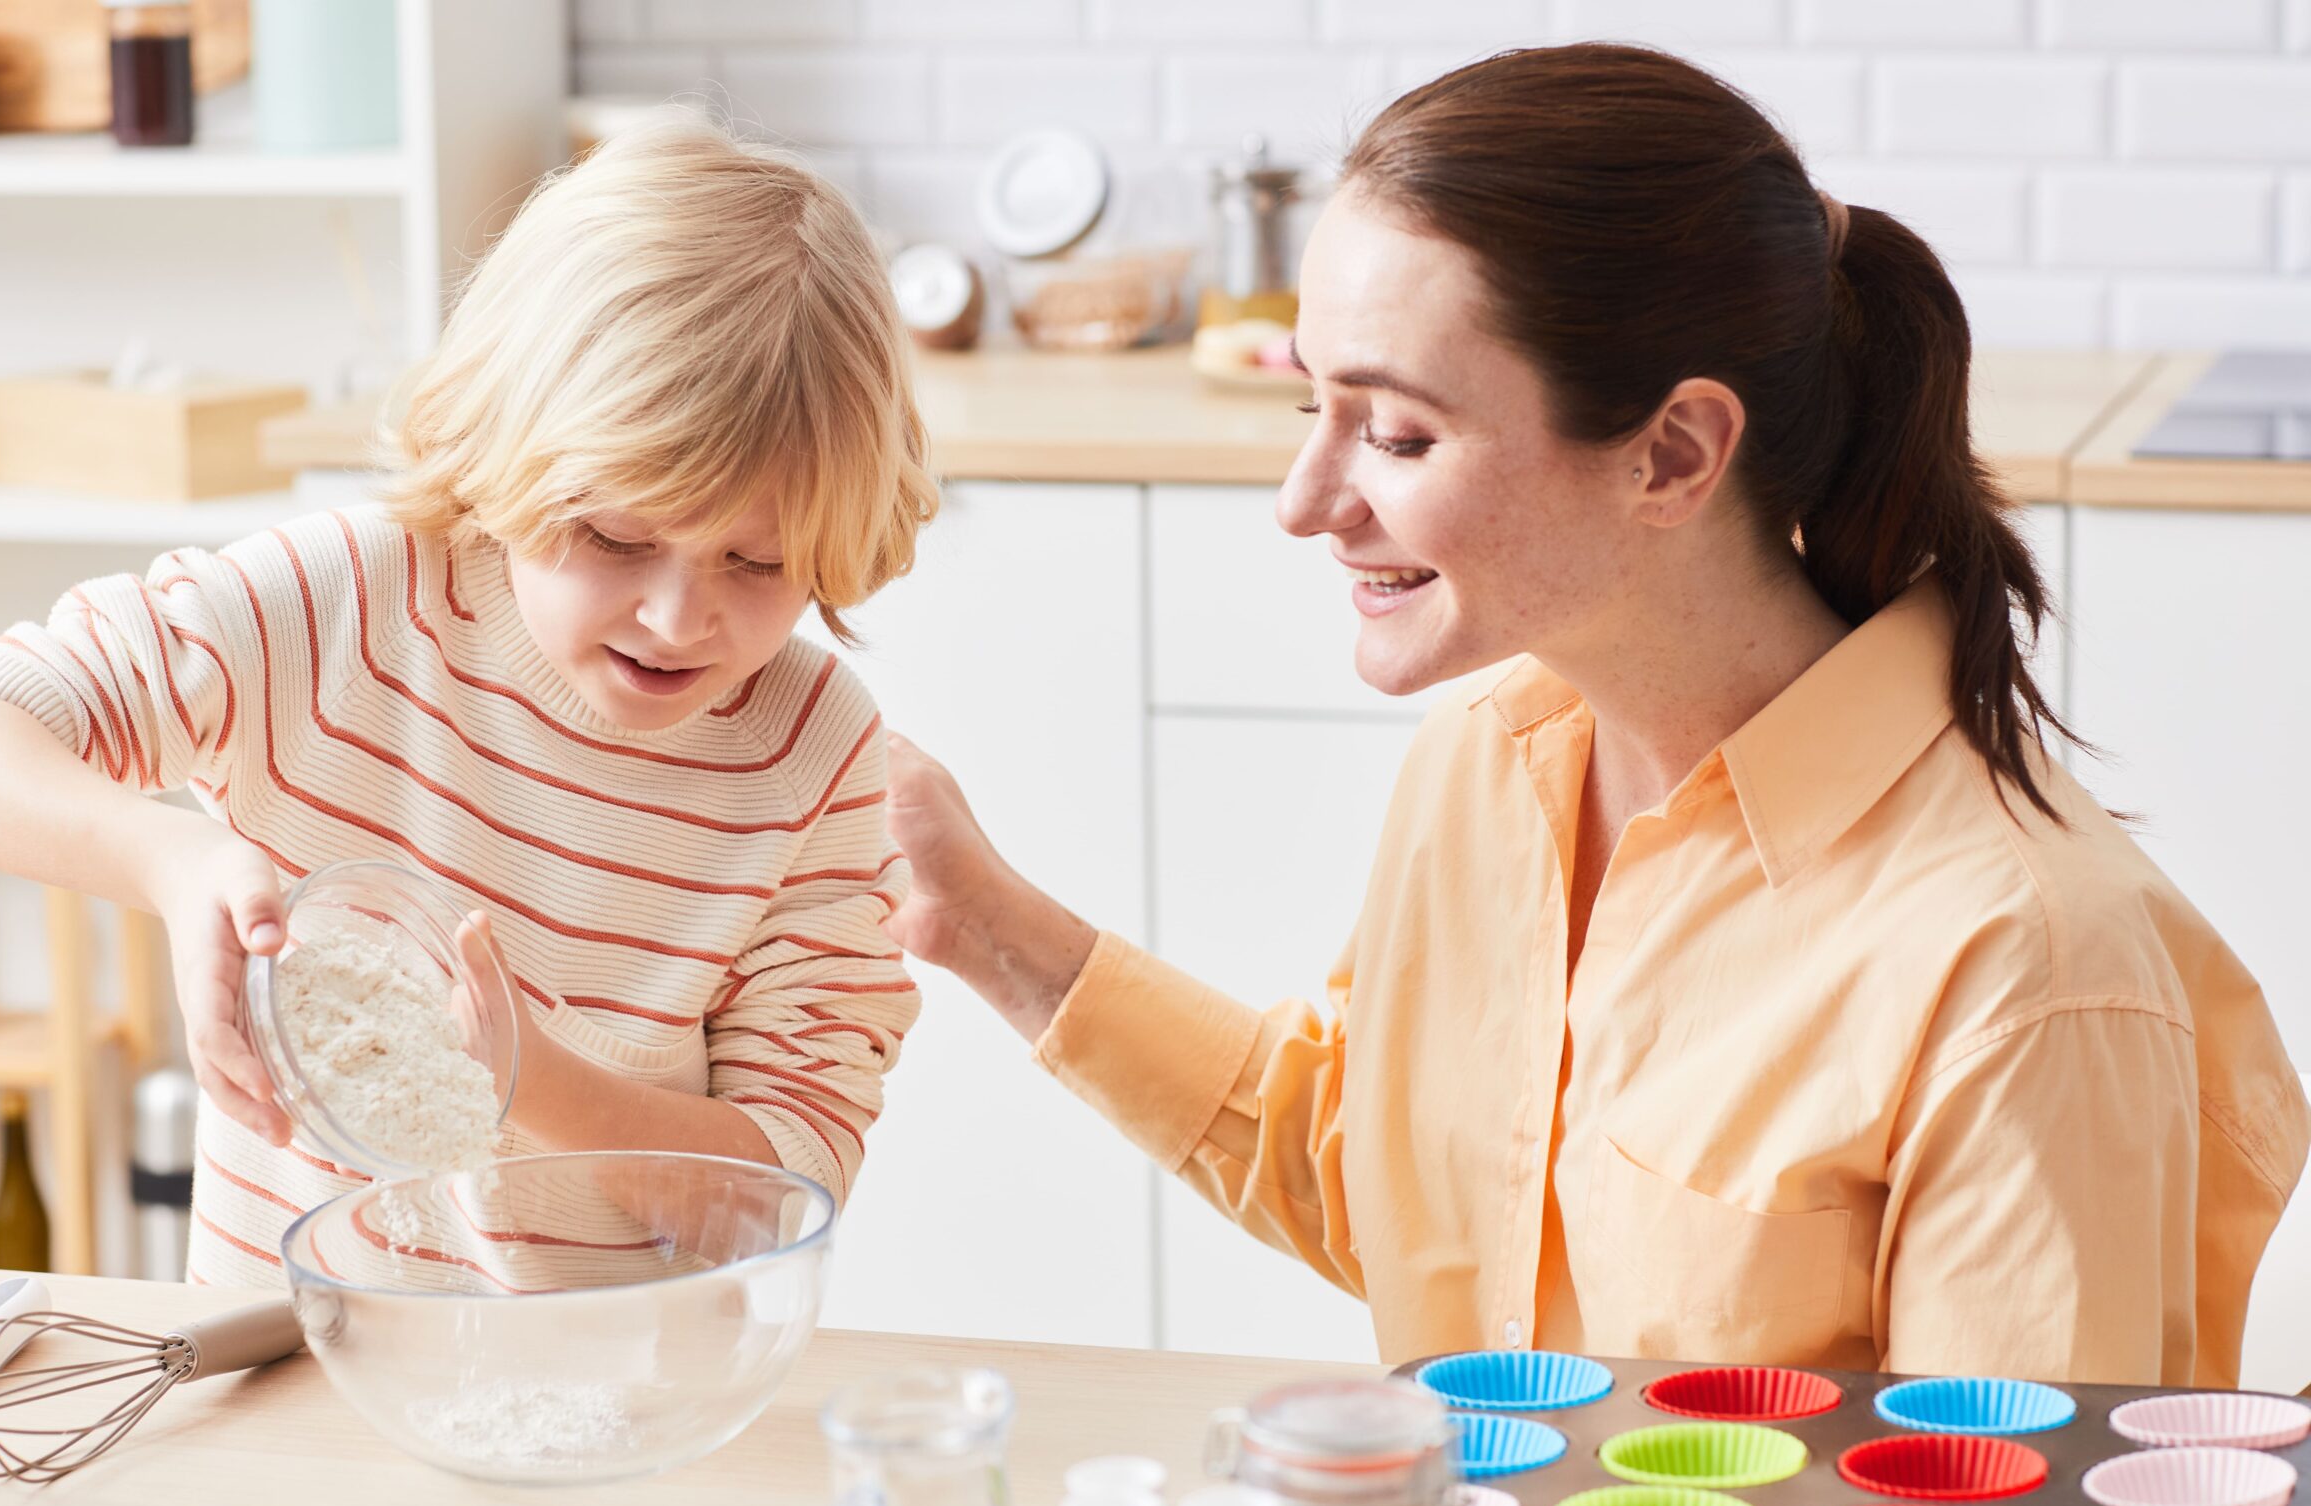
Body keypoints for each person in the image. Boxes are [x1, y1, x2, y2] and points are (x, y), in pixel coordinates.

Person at [881, 44, 2307, 1385]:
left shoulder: (2021, 962)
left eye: (1394, 433)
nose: (1304, 501)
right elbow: (1386, 1176)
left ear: (1673, 453)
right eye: (1311, 406)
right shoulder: (1490, 770)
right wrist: (976, 914)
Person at [0, 116, 930, 1285]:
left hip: (615, 1399)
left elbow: (776, 1199)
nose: (679, 618)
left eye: (757, 564)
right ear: (508, 443)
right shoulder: (346, 611)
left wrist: (525, 1072)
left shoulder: (812, 757)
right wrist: (172, 862)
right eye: (615, 538)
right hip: (289, 1365)